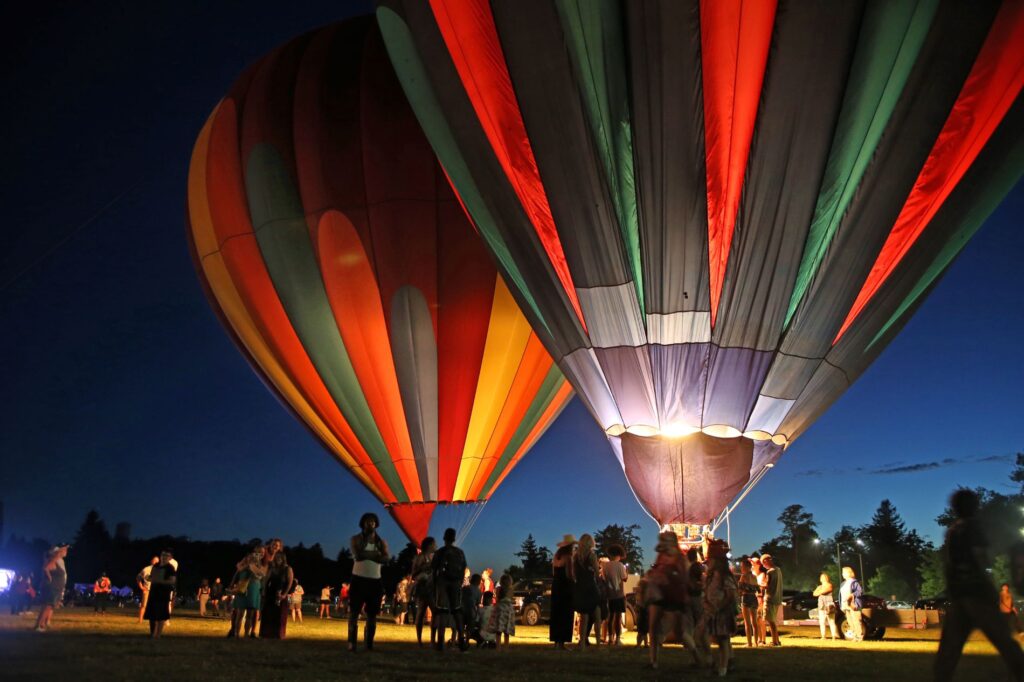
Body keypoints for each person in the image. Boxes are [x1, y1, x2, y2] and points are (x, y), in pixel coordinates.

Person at [934, 489, 1024, 681]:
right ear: (974, 506)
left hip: (959, 594)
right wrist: (989, 585)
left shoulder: (953, 530)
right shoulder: (974, 527)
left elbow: (949, 563)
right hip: (978, 593)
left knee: (949, 648)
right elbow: (981, 559)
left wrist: (951, 589)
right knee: (1004, 640)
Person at [645, 531, 700, 670]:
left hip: (674, 596)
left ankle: (696, 656)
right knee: (653, 627)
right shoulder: (661, 556)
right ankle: (653, 661)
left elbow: (684, 578)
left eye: (665, 540)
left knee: (679, 632)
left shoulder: (680, 558)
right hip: (658, 594)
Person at [348, 512, 389, 652]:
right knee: (354, 612)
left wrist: (369, 555)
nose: (370, 524)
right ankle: (352, 642)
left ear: (376, 524)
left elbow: (385, 559)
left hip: (375, 581)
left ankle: (368, 643)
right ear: (362, 523)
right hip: (358, 579)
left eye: (373, 522)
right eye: (367, 521)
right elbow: (358, 556)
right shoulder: (355, 539)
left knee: (372, 614)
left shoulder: (381, 542)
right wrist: (376, 555)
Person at [431, 527, 468, 652]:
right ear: (454, 538)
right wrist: (459, 581)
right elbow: (463, 568)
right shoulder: (460, 552)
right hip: (455, 584)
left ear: (444, 538)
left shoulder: (440, 552)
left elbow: (434, 568)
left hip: (443, 583)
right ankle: (462, 641)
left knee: (442, 612)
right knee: (457, 612)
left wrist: (435, 583)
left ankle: (440, 642)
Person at [703, 556, 738, 678]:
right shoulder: (711, 577)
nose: (708, 563)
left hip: (722, 612)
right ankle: (724, 662)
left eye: (710, 560)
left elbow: (731, 595)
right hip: (712, 612)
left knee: (723, 640)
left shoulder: (725, 577)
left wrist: (719, 607)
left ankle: (723, 668)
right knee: (716, 639)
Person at [570, 533, 601, 648]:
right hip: (591, 587)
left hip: (580, 587)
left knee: (584, 616)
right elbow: (597, 573)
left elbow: (574, 574)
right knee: (597, 615)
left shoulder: (576, 557)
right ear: (590, 542)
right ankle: (598, 644)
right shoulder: (592, 555)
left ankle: (582, 643)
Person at [229, 545, 266, 638]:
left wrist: (254, 567)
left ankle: (246, 634)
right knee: (240, 612)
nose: (261, 554)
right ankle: (236, 634)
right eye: (259, 551)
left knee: (250, 613)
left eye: (263, 552)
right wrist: (248, 565)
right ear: (255, 551)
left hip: (254, 587)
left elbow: (262, 574)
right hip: (243, 587)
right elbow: (238, 569)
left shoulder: (262, 563)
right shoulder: (247, 559)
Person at [549, 534, 575, 649]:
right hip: (565, 587)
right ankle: (562, 642)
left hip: (556, 586)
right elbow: (569, 575)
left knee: (556, 613)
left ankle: (555, 641)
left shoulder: (556, 557)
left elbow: (554, 573)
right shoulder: (568, 558)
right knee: (565, 614)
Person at [260, 550, 294, 639]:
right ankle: (266, 634)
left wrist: (284, 594)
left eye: (280, 557)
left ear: (283, 558)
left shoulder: (288, 569)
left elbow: (290, 583)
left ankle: (279, 634)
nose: (278, 559)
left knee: (280, 616)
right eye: (277, 557)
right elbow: (266, 580)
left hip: (282, 594)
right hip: (271, 593)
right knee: (268, 614)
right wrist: (264, 591)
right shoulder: (272, 568)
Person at [35, 544, 68, 632]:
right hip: (53, 587)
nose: (66, 551)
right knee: (47, 606)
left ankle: (41, 624)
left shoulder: (58, 561)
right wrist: (49, 578)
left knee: (49, 606)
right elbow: (46, 568)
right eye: (64, 550)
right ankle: (39, 626)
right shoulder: (54, 560)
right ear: (58, 552)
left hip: (56, 587)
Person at [144, 550, 177, 638]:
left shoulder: (170, 568)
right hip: (154, 592)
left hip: (163, 593)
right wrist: (148, 577)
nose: (164, 556)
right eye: (163, 554)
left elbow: (172, 581)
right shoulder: (156, 565)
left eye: (166, 555)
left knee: (161, 615)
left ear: (170, 558)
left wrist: (161, 581)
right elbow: (151, 577)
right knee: (152, 614)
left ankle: (158, 634)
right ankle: (152, 633)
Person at [411, 536, 437, 647]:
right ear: (429, 545)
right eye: (434, 544)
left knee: (435, 613)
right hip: (422, 588)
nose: (436, 546)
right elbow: (413, 574)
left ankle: (432, 640)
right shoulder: (419, 558)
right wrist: (423, 568)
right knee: (421, 613)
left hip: (432, 588)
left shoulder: (435, 558)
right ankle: (420, 640)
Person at [604, 544, 628, 645]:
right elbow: (624, 579)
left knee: (610, 617)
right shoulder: (620, 565)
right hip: (619, 594)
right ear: (619, 554)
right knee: (618, 618)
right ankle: (617, 639)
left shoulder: (605, 565)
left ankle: (610, 639)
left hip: (609, 594)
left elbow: (605, 579)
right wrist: (626, 572)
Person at [487, 573, 516, 650]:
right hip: (508, 609)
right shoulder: (511, 589)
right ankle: (506, 647)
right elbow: (511, 599)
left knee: (499, 630)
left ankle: (498, 647)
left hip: (500, 608)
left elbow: (497, 598)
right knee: (506, 630)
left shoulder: (498, 589)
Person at [761, 554, 783, 646]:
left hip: (770, 598)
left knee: (771, 621)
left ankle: (775, 641)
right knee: (773, 620)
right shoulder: (778, 570)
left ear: (766, 561)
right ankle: (777, 640)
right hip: (777, 598)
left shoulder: (770, 572)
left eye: (763, 563)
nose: (763, 565)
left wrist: (760, 584)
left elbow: (766, 585)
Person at [738, 559, 759, 647]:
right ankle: (756, 642)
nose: (741, 568)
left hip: (746, 598)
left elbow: (740, 590)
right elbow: (757, 589)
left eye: (742, 566)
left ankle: (749, 643)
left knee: (747, 622)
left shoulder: (743, 576)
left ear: (747, 567)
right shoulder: (754, 576)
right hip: (754, 598)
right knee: (754, 622)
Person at [839, 566, 864, 642]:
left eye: (844, 572)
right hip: (845, 605)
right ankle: (855, 636)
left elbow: (860, 591)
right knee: (850, 622)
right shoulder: (843, 584)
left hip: (853, 605)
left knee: (856, 620)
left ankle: (859, 636)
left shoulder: (854, 582)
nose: (842, 574)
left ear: (849, 573)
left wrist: (852, 595)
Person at [814, 571, 838, 640]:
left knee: (831, 621)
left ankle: (833, 636)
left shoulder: (829, 585)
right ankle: (823, 636)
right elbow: (814, 594)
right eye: (821, 577)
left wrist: (819, 591)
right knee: (822, 622)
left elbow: (825, 591)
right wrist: (819, 591)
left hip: (829, 606)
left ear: (827, 578)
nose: (822, 578)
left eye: (824, 577)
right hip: (821, 606)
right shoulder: (819, 586)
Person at [137, 556, 158, 623]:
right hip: (147, 590)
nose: (156, 562)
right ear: (151, 561)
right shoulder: (146, 569)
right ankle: (140, 620)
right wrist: (141, 587)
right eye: (155, 560)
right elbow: (138, 578)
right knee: (144, 605)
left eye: (157, 561)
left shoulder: (161, 570)